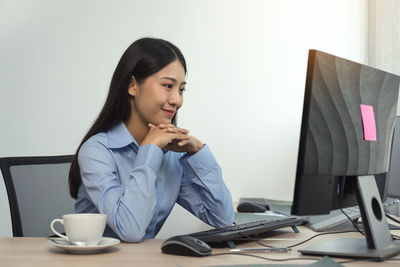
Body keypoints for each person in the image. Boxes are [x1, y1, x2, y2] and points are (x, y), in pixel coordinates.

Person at [68, 37, 234, 242]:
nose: (177, 100)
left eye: (181, 89)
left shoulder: (170, 156)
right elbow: (130, 231)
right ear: (132, 85)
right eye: (167, 85)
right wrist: (149, 151)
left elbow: (222, 219)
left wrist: (199, 152)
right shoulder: (97, 151)